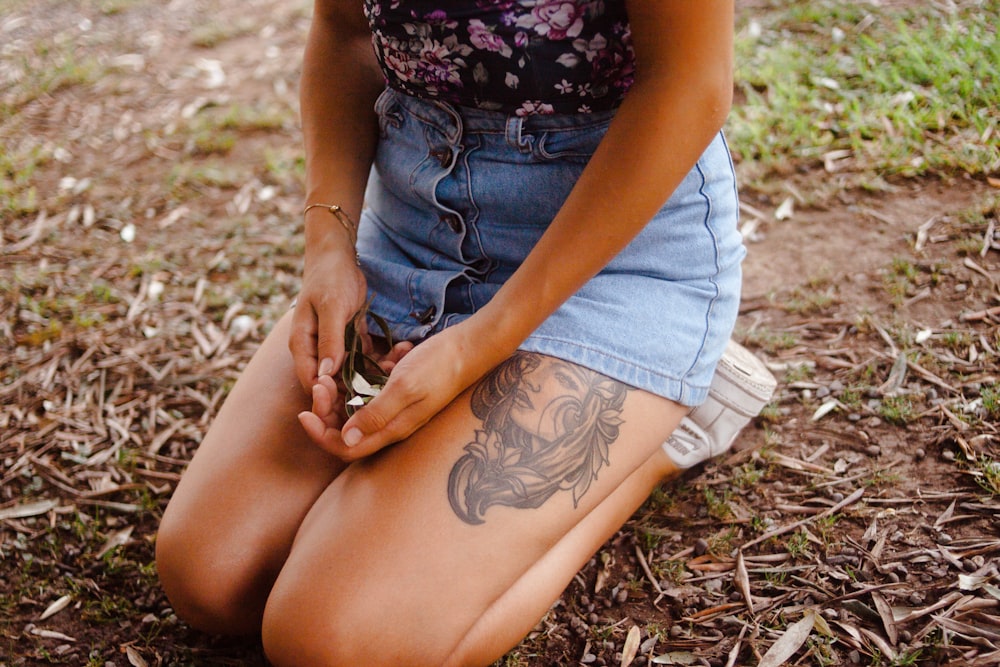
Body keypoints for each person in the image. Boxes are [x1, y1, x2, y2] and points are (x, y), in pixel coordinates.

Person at [155, 1, 775, 665]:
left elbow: (690, 84)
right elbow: (344, 33)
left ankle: (664, 442)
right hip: (414, 233)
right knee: (211, 578)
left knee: (327, 644)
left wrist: (482, 344)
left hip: (611, 258)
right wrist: (329, 247)